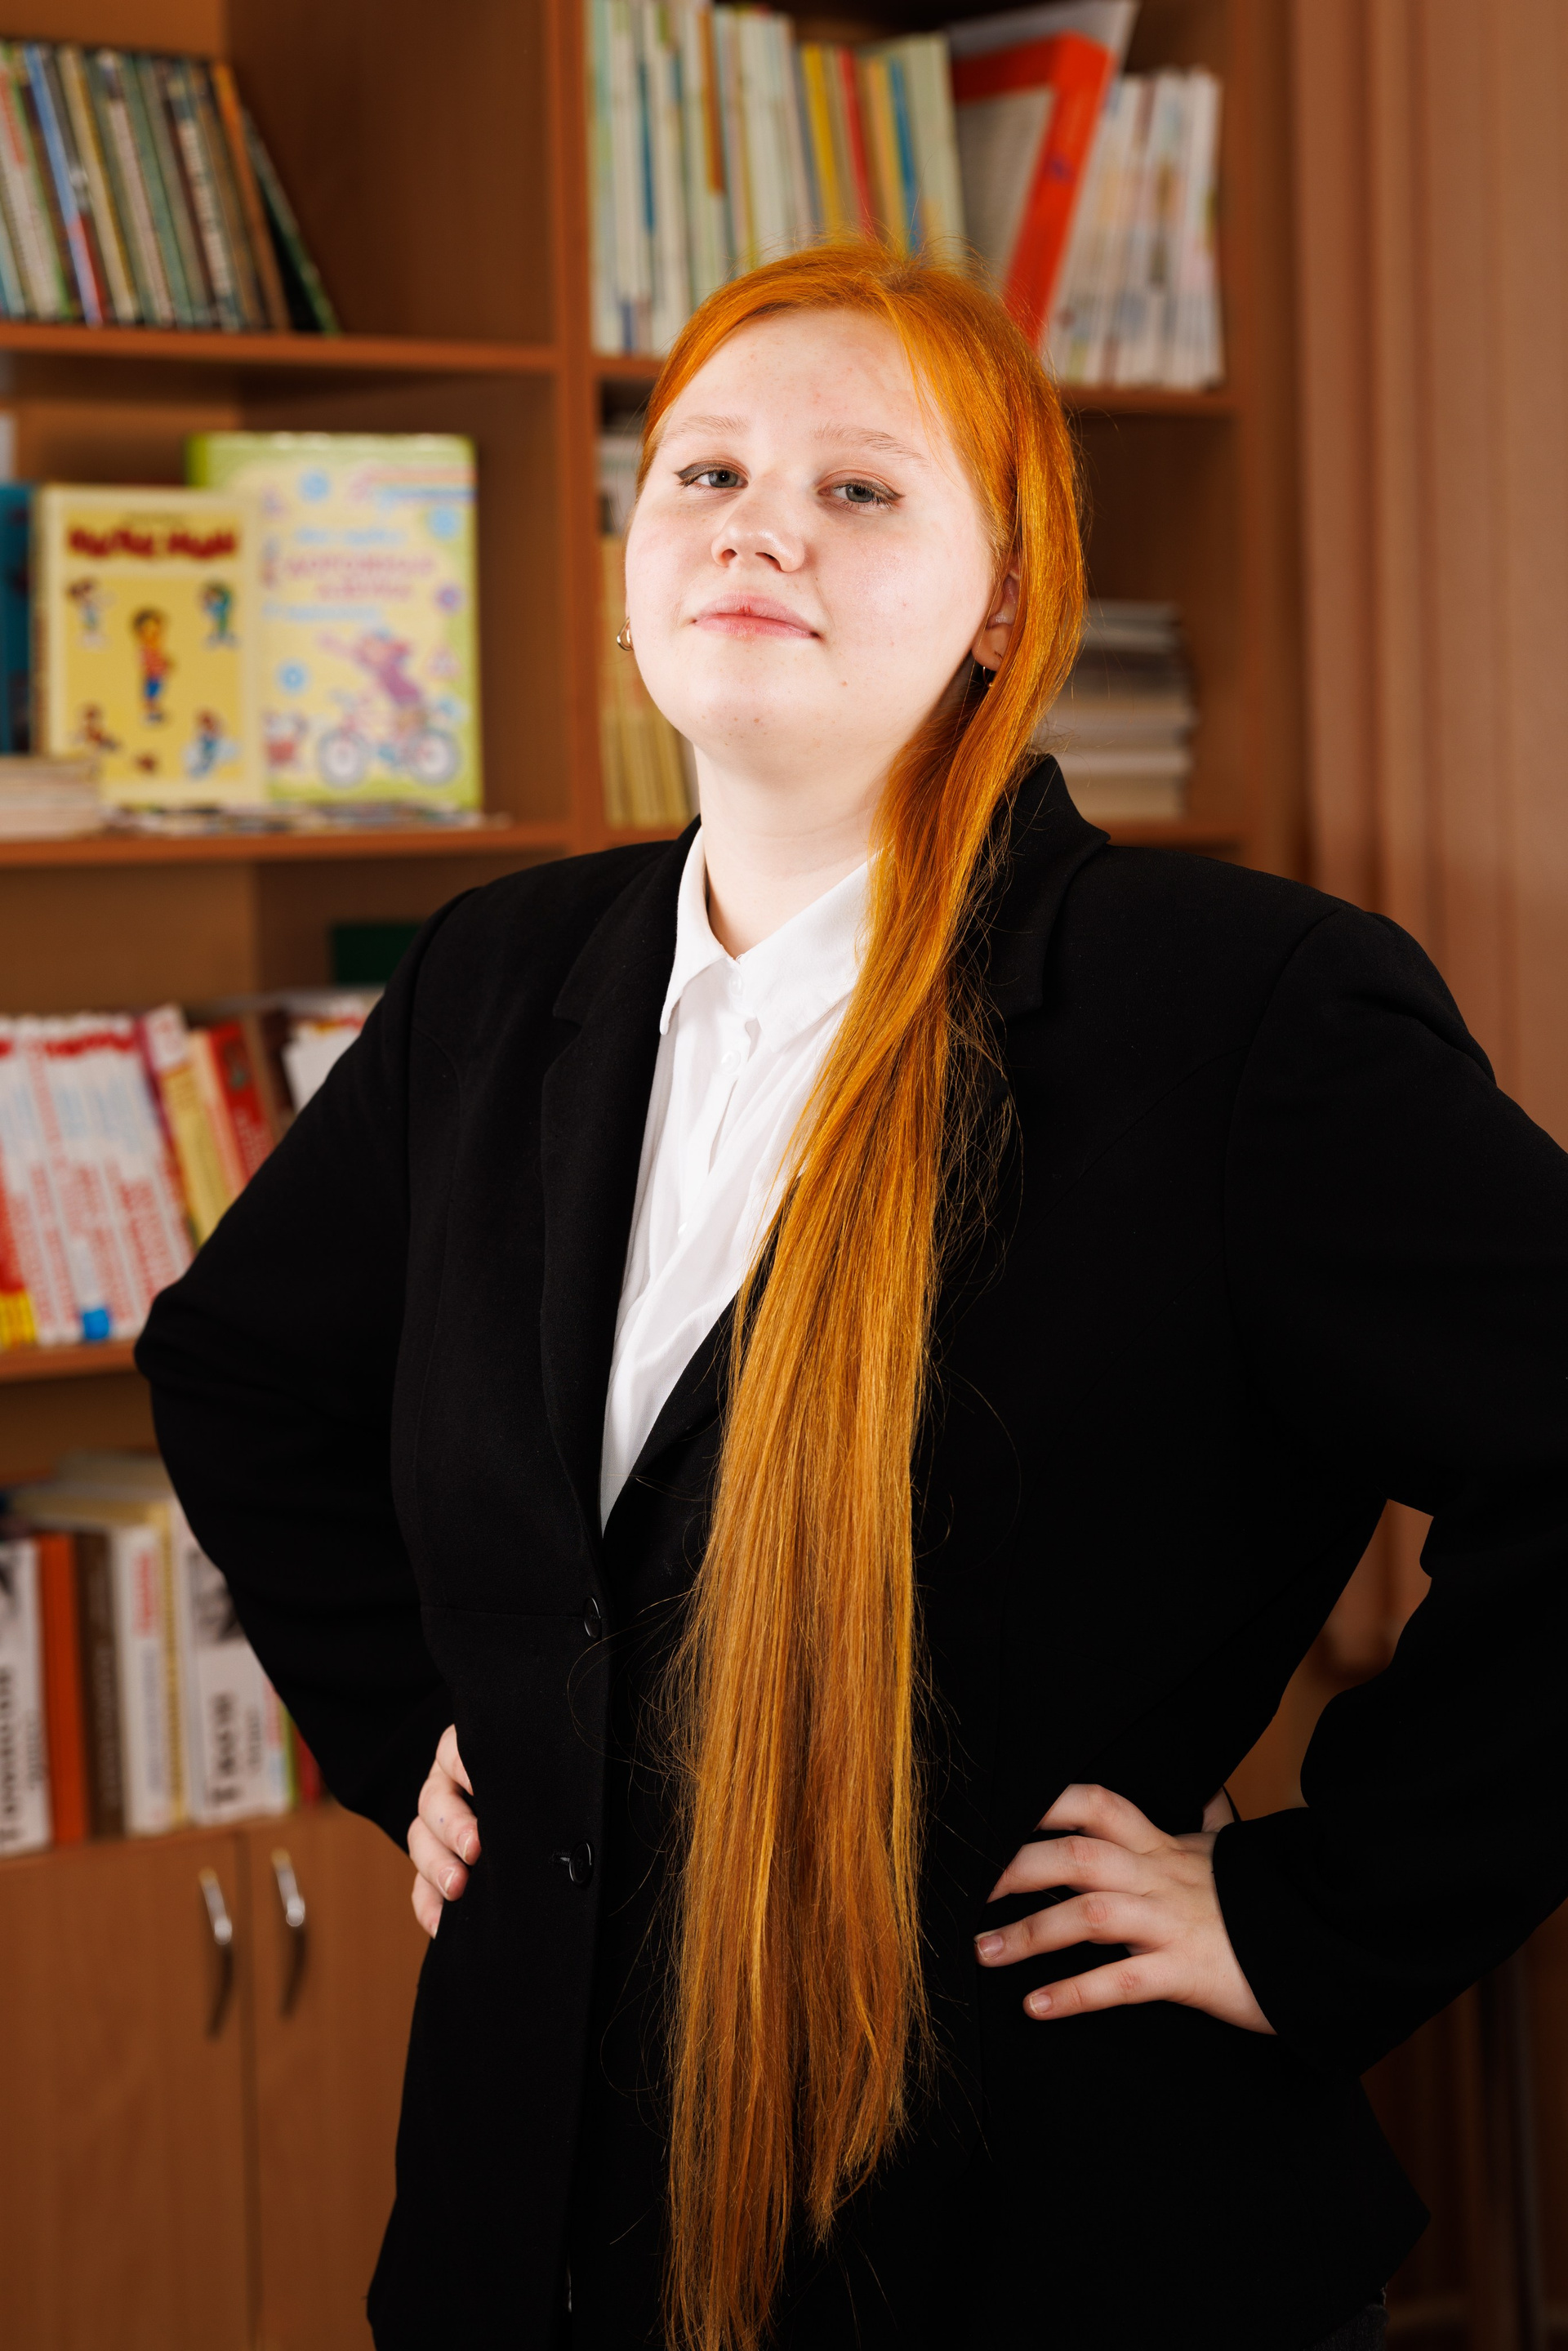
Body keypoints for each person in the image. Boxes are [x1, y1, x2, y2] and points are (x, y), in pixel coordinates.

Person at [136, 247, 1568, 2351]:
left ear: (1006, 599)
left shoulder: (1239, 1008)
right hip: (527, 2241)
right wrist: (419, 1724)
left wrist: (1318, 1912)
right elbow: (240, 1369)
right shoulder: (496, 975)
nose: (758, 528)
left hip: (1052, 2240)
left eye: (862, 488)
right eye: (704, 473)